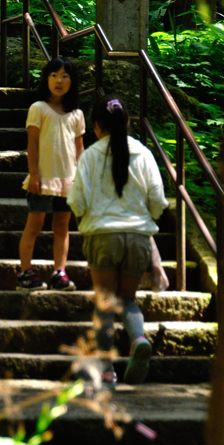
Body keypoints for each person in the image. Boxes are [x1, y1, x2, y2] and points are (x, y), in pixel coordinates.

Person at [68, 95, 168, 387]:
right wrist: (144, 219)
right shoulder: (144, 154)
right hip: (137, 238)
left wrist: (86, 218)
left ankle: (107, 369)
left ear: (96, 126)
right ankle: (138, 338)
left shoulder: (90, 155)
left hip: (102, 236)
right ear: (127, 122)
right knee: (127, 300)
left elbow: (76, 200)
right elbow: (158, 201)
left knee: (105, 303)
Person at [16, 58, 85, 292]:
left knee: (62, 226)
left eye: (65, 76)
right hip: (42, 178)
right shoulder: (38, 109)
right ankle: (25, 272)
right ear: (46, 79)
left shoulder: (76, 114)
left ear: (72, 82)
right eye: (54, 75)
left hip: (68, 180)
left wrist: (81, 177)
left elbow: (79, 149)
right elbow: (32, 144)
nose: (59, 80)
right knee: (34, 224)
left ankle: (60, 271)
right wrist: (34, 174)